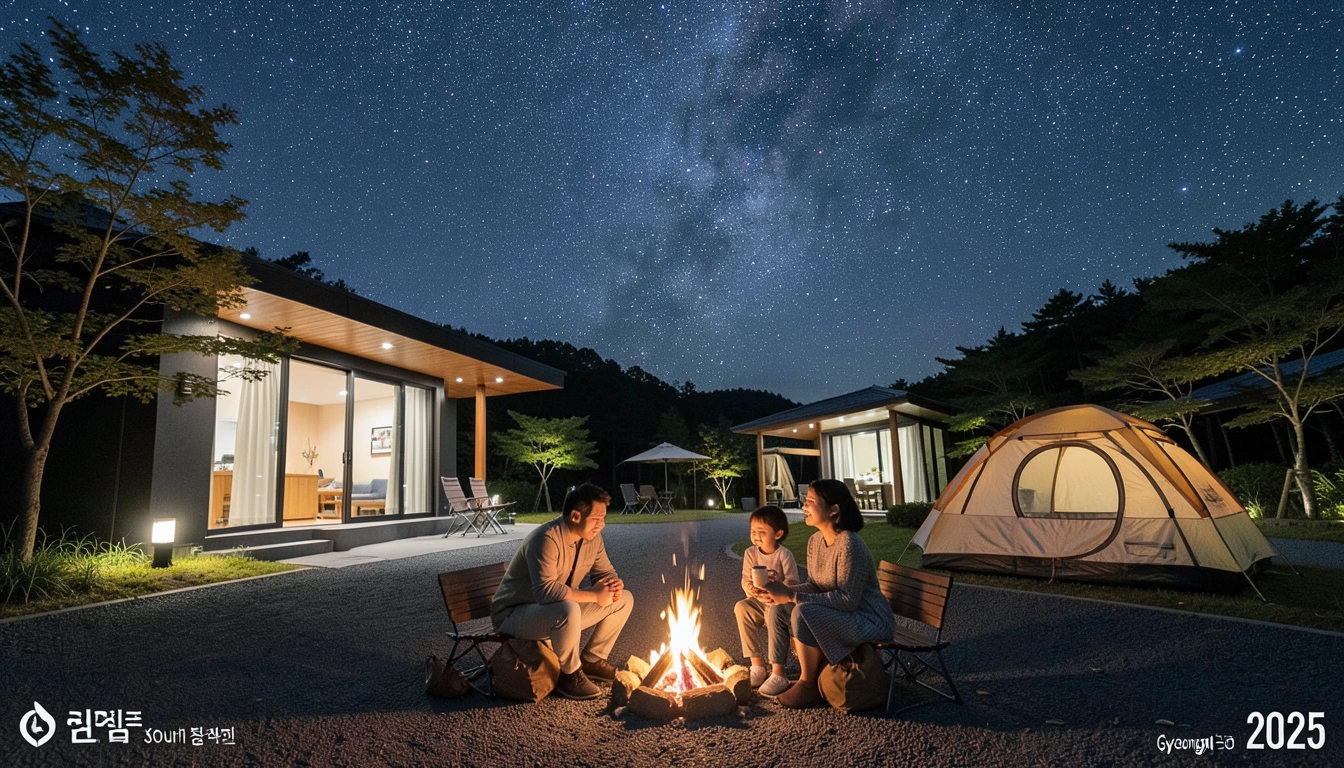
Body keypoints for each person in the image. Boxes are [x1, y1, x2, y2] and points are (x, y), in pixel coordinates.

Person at [753, 479, 895, 709]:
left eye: (810, 501)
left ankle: (807, 683)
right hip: (843, 614)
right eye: (805, 501)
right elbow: (815, 585)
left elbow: (847, 600)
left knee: (802, 611)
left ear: (834, 509)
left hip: (867, 618)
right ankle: (778, 673)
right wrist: (782, 592)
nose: (803, 507)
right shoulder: (815, 541)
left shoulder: (850, 545)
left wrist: (792, 595)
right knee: (780, 609)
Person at [491, 483, 634, 701]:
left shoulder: (591, 539)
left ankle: (592, 660)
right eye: (597, 519)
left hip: (551, 612)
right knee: (567, 609)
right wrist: (595, 595)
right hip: (514, 615)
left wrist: (613, 585)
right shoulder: (546, 538)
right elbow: (545, 591)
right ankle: (569, 675)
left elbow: (605, 572)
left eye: (603, 519)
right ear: (576, 516)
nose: (602, 525)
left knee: (624, 599)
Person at [733, 505, 800, 697]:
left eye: (762, 532)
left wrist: (778, 585)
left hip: (778, 604)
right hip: (758, 601)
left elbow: (793, 582)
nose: (756, 536)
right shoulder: (750, 553)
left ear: (778, 534)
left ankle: (778, 671)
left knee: (774, 614)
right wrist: (751, 589)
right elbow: (746, 578)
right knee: (741, 607)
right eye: (753, 531)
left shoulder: (784, 555)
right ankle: (757, 666)